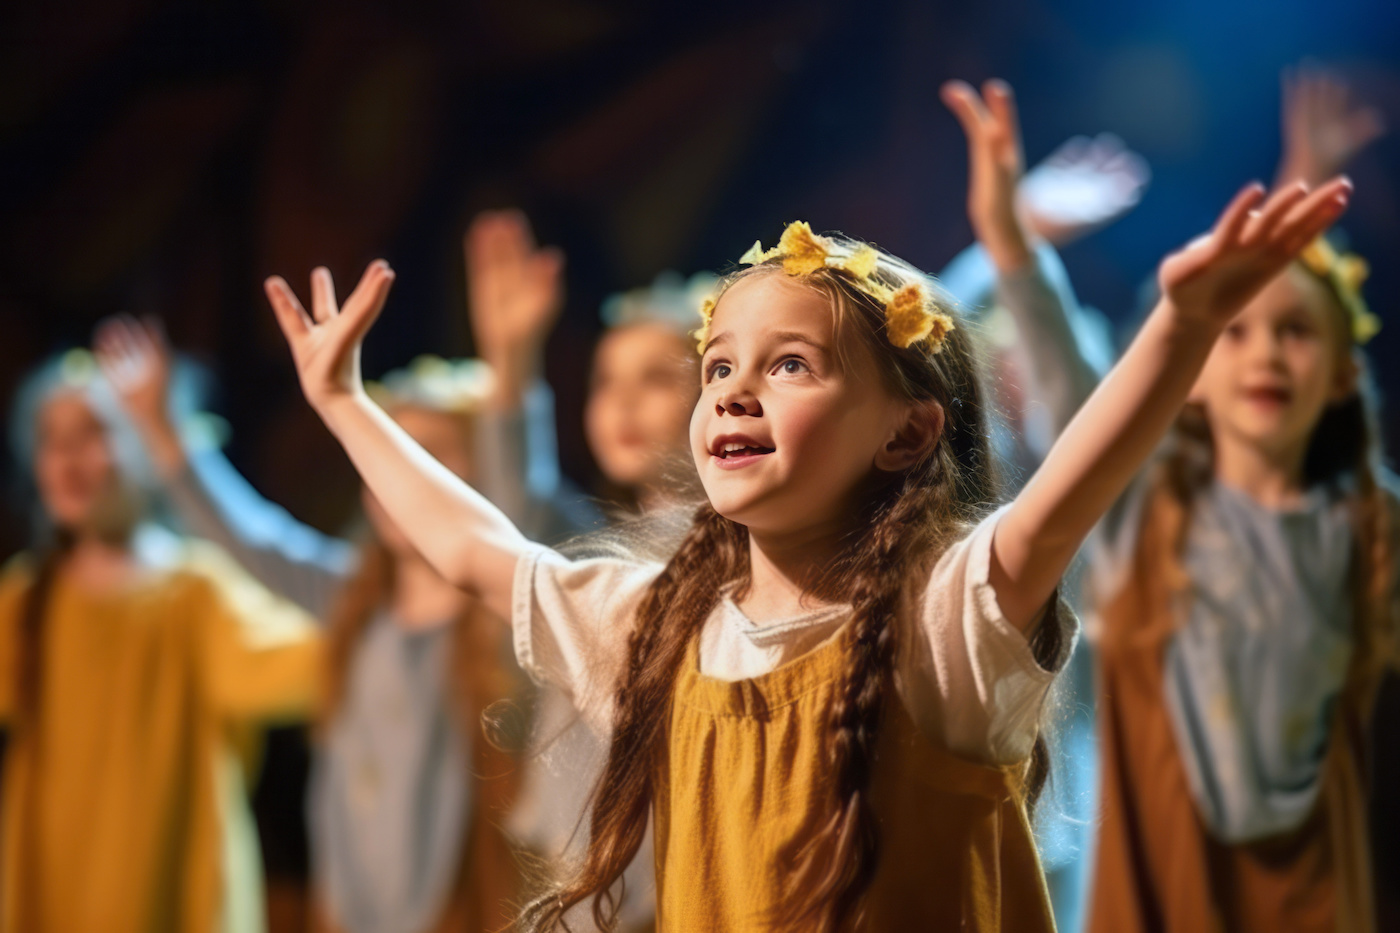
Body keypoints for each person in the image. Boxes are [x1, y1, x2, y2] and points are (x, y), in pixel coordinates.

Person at [262, 120, 1350, 929]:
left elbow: (1074, 481)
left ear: (907, 431)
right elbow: (475, 547)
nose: (734, 391)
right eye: (717, 368)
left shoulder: (944, 623)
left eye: (790, 365)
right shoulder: (651, 626)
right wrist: (343, 403)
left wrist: (1184, 324)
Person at [93, 210, 575, 933]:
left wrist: (512, 371)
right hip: (350, 901)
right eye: (390, 458)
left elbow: (521, 500)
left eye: (434, 459)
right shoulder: (354, 598)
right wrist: (162, 434)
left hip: (462, 905)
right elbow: (256, 542)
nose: (401, 482)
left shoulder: (502, 605)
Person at [1080, 69, 1394, 933]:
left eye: (1294, 334)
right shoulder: (1143, 510)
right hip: (1167, 878)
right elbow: (1107, 383)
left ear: (1342, 373)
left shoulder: (1369, 527)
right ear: (1189, 373)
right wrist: (1013, 249)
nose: (1265, 356)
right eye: (1237, 333)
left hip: (1312, 888)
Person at [0, 349, 321, 933]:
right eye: (52, 439)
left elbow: (304, 663)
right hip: (55, 892)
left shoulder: (197, 592)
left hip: (171, 894)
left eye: (92, 433)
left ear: (147, 447)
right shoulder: (24, 599)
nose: (68, 456)